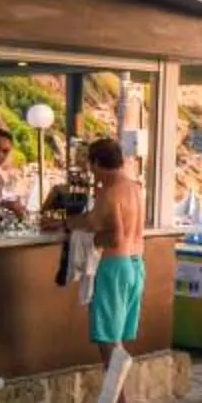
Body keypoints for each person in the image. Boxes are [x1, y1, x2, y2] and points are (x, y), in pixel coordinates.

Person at [60, 135, 147, 377]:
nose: (92, 173)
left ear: (96, 163)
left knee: (108, 345)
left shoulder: (109, 193)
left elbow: (111, 235)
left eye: (91, 166)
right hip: (136, 264)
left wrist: (79, 234)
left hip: (114, 267)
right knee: (117, 341)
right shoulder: (134, 188)